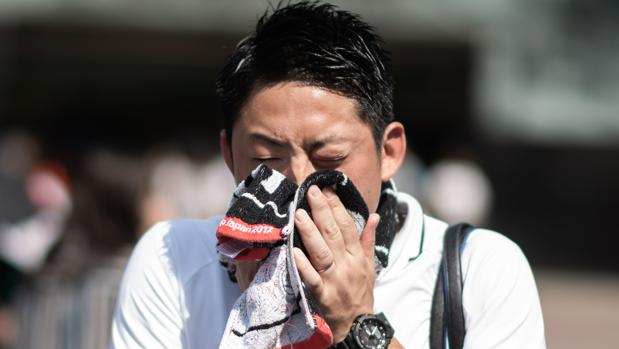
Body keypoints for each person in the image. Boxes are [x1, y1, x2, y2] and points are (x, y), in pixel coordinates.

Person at [110, 2, 546, 348]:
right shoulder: (174, 260)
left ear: (389, 151)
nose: (300, 184)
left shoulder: (482, 270)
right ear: (228, 153)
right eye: (267, 158)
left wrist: (357, 322)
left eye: (330, 159)